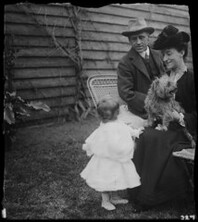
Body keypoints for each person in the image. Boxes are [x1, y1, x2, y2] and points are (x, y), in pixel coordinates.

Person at [130, 25, 197, 212]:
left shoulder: (191, 79)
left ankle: (154, 196)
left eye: (169, 54)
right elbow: (155, 102)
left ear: (182, 52)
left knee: (156, 140)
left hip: (184, 130)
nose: (165, 59)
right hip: (164, 126)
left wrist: (181, 116)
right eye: (163, 55)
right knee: (145, 135)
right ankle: (139, 192)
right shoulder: (165, 78)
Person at [80, 95, 143, 211]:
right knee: (107, 179)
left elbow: (126, 129)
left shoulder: (118, 122)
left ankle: (114, 197)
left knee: (117, 176)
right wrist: (127, 147)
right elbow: (107, 142)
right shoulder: (106, 128)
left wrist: (136, 132)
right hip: (108, 159)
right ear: (115, 113)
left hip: (116, 158)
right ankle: (105, 201)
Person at [117, 17, 165, 120]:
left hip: (165, 105)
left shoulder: (159, 55)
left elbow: (167, 78)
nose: (138, 42)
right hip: (141, 111)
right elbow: (126, 93)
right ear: (129, 41)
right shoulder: (125, 63)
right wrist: (153, 103)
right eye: (134, 38)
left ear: (148, 37)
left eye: (141, 37)